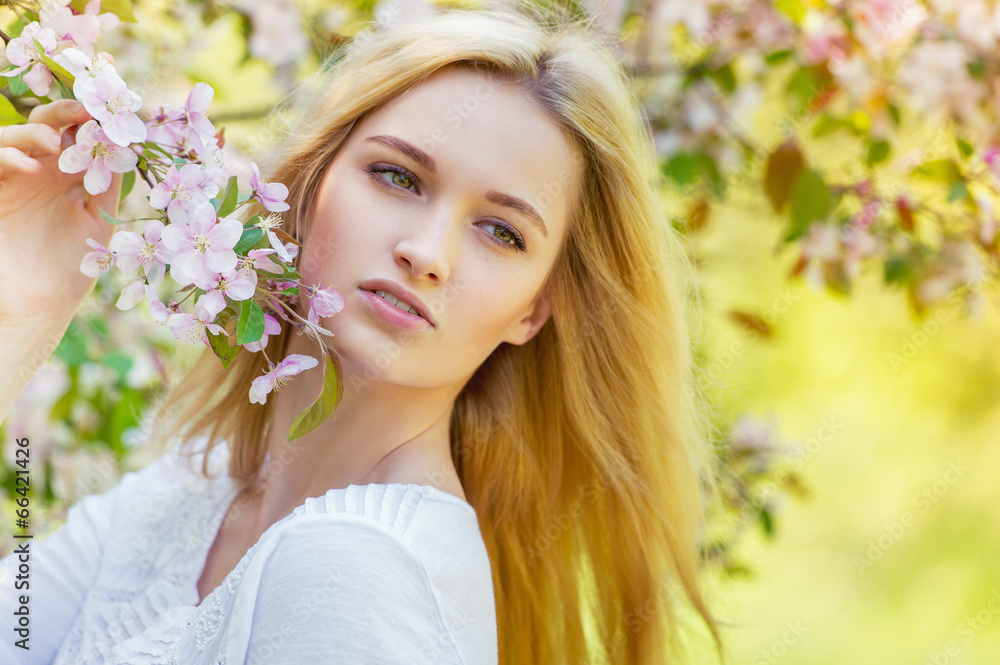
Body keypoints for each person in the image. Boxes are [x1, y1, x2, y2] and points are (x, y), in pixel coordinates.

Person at [0, 5, 725, 664]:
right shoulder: (189, 493)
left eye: (502, 232)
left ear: (533, 312)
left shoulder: (359, 569)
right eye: (398, 177)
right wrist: (19, 311)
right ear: (309, 186)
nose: (427, 253)